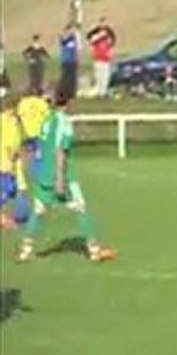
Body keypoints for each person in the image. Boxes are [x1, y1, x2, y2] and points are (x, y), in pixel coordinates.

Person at [15, 89, 117, 263]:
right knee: (80, 209)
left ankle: (25, 250)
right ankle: (94, 250)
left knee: (39, 211)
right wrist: (60, 179)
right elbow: (59, 151)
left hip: (44, 174)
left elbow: (39, 147)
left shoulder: (47, 121)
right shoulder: (64, 122)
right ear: (69, 103)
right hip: (62, 175)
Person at [0, 94, 26, 231]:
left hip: (5, 163)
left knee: (8, 192)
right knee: (4, 193)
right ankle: (3, 220)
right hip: (4, 163)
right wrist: (14, 155)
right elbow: (11, 144)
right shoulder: (9, 122)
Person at [17, 88, 50, 180]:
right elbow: (48, 116)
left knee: (29, 154)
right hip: (40, 133)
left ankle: (29, 175)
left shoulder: (22, 103)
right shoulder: (41, 103)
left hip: (27, 133)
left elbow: (19, 117)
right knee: (39, 154)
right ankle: (39, 175)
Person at [86, 16, 117, 99]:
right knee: (99, 74)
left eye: (104, 23)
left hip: (106, 57)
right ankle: (99, 91)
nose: (103, 25)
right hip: (97, 56)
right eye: (101, 23)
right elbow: (90, 39)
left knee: (105, 75)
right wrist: (99, 36)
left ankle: (104, 91)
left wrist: (111, 51)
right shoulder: (95, 32)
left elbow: (112, 42)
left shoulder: (109, 32)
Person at [58, 23, 81, 100]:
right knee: (66, 77)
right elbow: (63, 44)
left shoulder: (73, 38)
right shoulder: (64, 39)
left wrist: (77, 58)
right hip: (66, 61)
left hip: (72, 60)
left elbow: (76, 49)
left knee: (72, 78)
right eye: (70, 30)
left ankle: (72, 93)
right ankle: (64, 92)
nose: (72, 32)